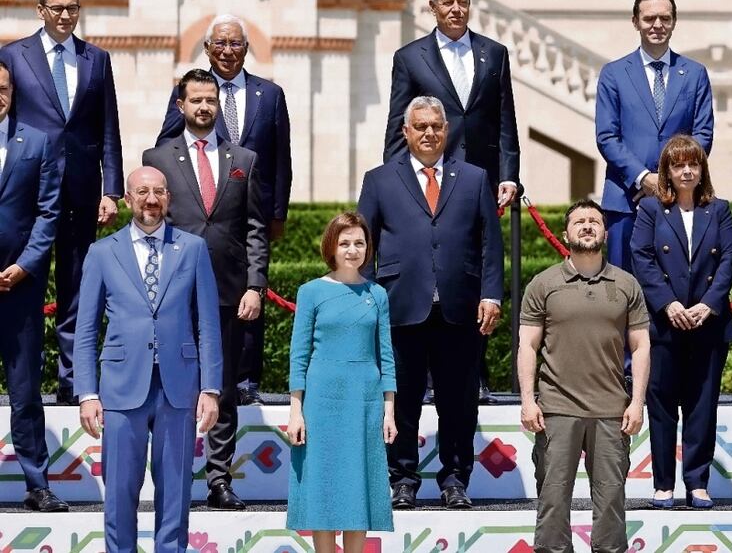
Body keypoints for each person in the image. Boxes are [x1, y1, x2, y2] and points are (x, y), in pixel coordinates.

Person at [358, 95, 503, 510]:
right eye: (420, 126)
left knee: (458, 401)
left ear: (447, 130)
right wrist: (367, 300)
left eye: (436, 126)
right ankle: (403, 479)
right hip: (399, 307)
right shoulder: (380, 179)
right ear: (406, 132)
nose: (428, 133)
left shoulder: (474, 178)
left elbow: (490, 243)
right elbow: (362, 243)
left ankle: (455, 479)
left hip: (461, 308)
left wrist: (491, 293)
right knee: (400, 399)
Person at [383, 0, 518, 402]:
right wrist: (393, 184)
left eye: (463, 2)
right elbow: (396, 125)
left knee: (475, 271)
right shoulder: (410, 58)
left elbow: (504, 120)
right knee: (429, 271)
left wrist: (509, 174)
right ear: (433, 7)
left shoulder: (494, 54)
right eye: (448, 2)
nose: (456, 9)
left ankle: (472, 371)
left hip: (479, 183)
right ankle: (421, 377)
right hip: (427, 181)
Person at [73, 166, 221, 553]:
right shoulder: (102, 253)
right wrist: (87, 392)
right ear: (128, 199)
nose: (151, 199)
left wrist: (211, 388)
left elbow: (208, 322)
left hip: (179, 388)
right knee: (120, 493)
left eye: (159, 192)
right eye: (142, 192)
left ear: (169, 198)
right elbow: (85, 329)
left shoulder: (192, 248)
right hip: (121, 388)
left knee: (176, 492)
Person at [142, 68, 269, 511]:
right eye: (195, 100)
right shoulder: (156, 159)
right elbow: (148, 227)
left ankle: (219, 479)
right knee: (174, 387)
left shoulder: (244, 159)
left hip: (230, 291)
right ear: (181, 106)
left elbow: (255, 228)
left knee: (224, 387)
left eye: (210, 101)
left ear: (219, 105)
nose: (203, 107)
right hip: (174, 293)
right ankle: (172, 480)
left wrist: (256, 284)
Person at [156, 14, 292, 407]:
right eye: (220, 44)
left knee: (250, 291)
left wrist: (277, 214)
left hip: (250, 210)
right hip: (202, 205)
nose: (228, 51)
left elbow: (281, 157)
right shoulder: (191, 92)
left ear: (246, 49)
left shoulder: (271, 94)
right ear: (207, 48)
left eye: (235, 44)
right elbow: (166, 142)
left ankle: (247, 378)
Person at [0, 0, 123, 405]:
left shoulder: (97, 59)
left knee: (77, 287)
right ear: (40, 11)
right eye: (56, 8)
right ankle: (25, 384)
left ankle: (72, 383)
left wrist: (114, 189)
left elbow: (108, 126)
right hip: (25, 193)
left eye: (72, 8)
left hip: (81, 191)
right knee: (24, 285)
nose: (65, 16)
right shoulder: (13, 56)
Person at [518, 199, 650, 553]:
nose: (588, 225)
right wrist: (528, 402)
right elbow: (527, 346)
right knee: (552, 504)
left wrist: (637, 403)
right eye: (580, 221)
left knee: (610, 508)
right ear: (565, 234)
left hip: (611, 412)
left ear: (606, 233)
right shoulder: (542, 285)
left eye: (594, 221)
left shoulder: (627, 285)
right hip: (556, 410)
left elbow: (640, 347)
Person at [629, 134, 732, 509]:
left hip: (707, 324)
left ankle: (697, 482)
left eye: (693, 164)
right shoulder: (649, 209)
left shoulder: (719, 209)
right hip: (664, 324)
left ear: (702, 168)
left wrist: (708, 304)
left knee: (702, 405)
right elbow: (641, 258)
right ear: (667, 171)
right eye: (678, 165)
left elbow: (727, 262)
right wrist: (667, 303)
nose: (687, 170)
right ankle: (663, 484)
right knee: (661, 405)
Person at [286, 211, 397, 553]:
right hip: (321, 401)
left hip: (364, 401)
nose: (352, 250)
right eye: (345, 243)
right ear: (331, 247)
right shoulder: (311, 292)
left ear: (368, 248)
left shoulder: (377, 294)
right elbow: (299, 354)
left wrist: (389, 410)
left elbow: (387, 356)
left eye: (359, 243)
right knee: (323, 486)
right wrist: (296, 410)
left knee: (357, 485)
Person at [595, 0, 714, 274]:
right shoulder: (614, 73)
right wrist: (641, 178)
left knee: (676, 286)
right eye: (649, 19)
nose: (657, 25)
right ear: (635, 21)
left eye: (665, 18)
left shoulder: (695, 73)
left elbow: (703, 135)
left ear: (674, 21)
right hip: (625, 199)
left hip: (680, 198)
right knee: (622, 289)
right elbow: (607, 136)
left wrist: (667, 180)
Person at [0, 62, 65, 511]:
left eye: (1, 88)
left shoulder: (36, 141)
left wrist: (25, 265)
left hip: (19, 286)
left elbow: (48, 212)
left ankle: (37, 483)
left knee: (25, 391)